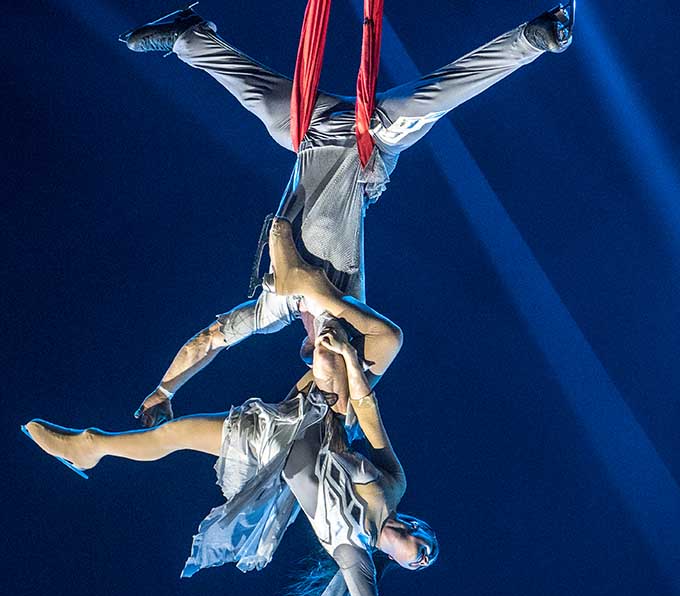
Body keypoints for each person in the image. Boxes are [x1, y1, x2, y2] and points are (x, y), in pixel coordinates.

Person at [22, 219, 438, 596]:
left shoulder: (353, 558)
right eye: (427, 549)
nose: (422, 558)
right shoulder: (392, 488)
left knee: (176, 436)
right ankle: (303, 285)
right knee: (385, 341)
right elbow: (368, 414)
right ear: (417, 528)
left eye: (421, 564)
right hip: (321, 410)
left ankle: (92, 446)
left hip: (272, 443)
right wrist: (353, 361)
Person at [120, 3, 575, 428]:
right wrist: (352, 384)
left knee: (255, 94)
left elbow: (209, 341)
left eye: (319, 353)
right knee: (436, 97)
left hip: (309, 131)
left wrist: (162, 391)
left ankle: (189, 36)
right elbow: (380, 351)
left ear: (305, 348)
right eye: (334, 353)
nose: (326, 345)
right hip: (370, 138)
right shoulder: (350, 304)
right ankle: (535, 37)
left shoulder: (273, 307)